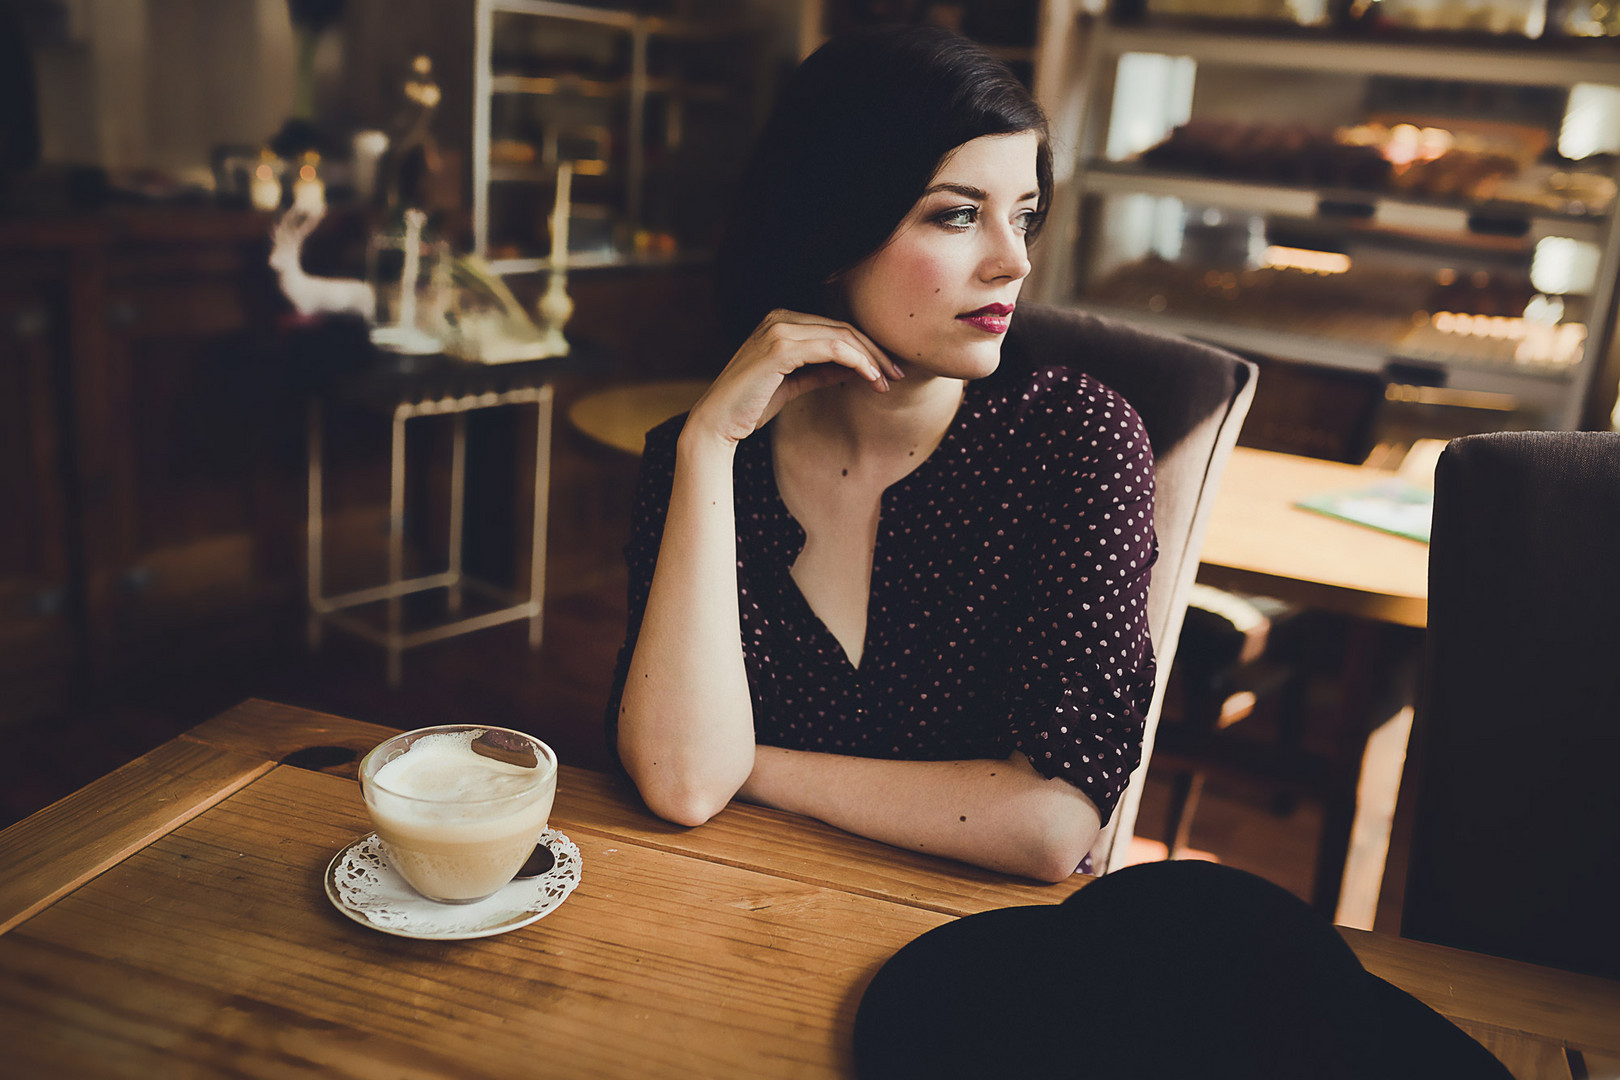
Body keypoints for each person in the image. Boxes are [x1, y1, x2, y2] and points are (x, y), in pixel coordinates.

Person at [605, 26, 1157, 882]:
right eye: (958, 215)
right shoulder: (710, 455)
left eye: (1024, 217)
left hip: (975, 956)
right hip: (730, 927)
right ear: (830, 230)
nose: (1013, 262)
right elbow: (681, 786)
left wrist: (747, 767)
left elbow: (1051, 825)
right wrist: (708, 447)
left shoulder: (1077, 442)